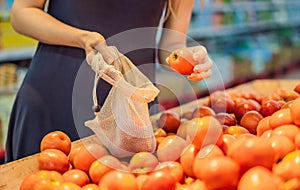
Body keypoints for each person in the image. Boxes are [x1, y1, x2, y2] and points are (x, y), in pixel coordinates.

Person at [5, 0, 213, 162]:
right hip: (54, 95)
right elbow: (22, 13)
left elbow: (172, 41)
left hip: (131, 110)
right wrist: (80, 37)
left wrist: (186, 57)